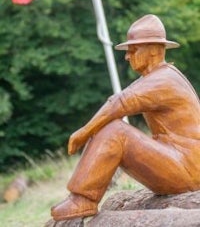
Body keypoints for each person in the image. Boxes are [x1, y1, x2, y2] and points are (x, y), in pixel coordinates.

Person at [51, 14, 200, 221]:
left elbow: (119, 103)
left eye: (133, 49)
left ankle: (83, 199)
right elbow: (118, 101)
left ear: (155, 50)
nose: (127, 56)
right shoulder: (156, 77)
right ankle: (81, 197)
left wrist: (84, 132)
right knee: (110, 126)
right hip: (181, 162)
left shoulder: (163, 80)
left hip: (187, 169)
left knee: (115, 131)